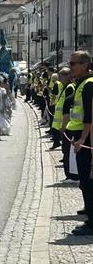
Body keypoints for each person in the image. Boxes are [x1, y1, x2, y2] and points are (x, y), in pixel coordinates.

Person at [67, 51, 93, 236]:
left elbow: (90, 116)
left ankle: (92, 222)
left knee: (88, 180)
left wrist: (83, 138)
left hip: (87, 139)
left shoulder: (89, 85)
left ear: (85, 65)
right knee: (84, 180)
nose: (71, 66)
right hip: (79, 137)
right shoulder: (81, 83)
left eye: (74, 63)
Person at [53, 67, 75, 181]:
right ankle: (69, 174)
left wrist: (64, 125)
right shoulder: (64, 87)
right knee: (65, 150)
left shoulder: (70, 88)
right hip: (64, 123)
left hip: (68, 124)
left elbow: (69, 108)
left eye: (61, 76)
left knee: (67, 150)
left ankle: (71, 175)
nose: (59, 78)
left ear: (67, 76)